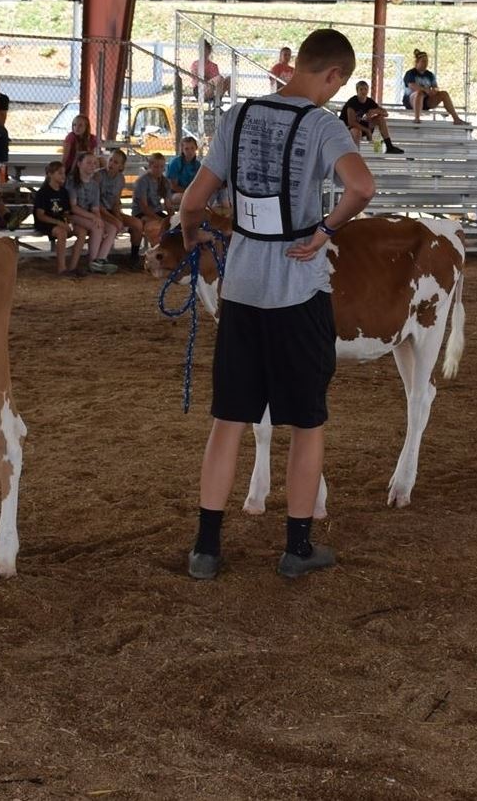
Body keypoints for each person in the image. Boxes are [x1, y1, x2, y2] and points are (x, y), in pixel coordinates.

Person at [178, 28, 375, 582]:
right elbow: (362, 187)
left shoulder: (237, 116)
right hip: (297, 291)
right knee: (306, 423)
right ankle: (297, 547)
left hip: (241, 289)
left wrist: (193, 234)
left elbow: (195, 199)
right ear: (333, 76)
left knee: (228, 420)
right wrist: (325, 231)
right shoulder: (322, 124)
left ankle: (206, 548)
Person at [67, 152, 117, 274]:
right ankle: (93, 261)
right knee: (97, 227)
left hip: (88, 215)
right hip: (73, 215)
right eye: (88, 162)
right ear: (79, 164)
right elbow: (73, 207)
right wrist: (94, 218)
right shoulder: (72, 181)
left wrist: (99, 218)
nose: (92, 165)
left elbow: (95, 208)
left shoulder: (94, 184)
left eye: (95, 163)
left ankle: (100, 259)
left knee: (111, 228)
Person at [33, 160, 85, 276]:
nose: (63, 176)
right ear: (50, 174)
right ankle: (61, 268)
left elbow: (66, 212)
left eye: (64, 173)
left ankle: (73, 266)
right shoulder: (43, 192)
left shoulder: (63, 192)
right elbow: (40, 215)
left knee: (82, 232)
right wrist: (60, 223)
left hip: (59, 221)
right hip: (45, 222)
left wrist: (69, 221)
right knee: (62, 233)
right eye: (60, 173)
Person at [98, 147, 144, 270]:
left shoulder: (120, 179)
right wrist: (115, 220)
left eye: (116, 162)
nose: (111, 164)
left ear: (121, 167)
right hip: (98, 211)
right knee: (115, 225)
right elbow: (96, 205)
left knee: (138, 224)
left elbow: (115, 201)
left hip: (110, 210)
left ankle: (134, 256)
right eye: (111, 160)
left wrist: (117, 216)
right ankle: (100, 257)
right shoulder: (98, 176)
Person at [403, 49, 465, 125]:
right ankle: (417, 118)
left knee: (444, 94)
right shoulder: (410, 73)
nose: (425, 64)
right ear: (417, 62)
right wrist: (426, 90)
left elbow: (435, 87)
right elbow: (412, 85)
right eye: (423, 61)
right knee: (419, 93)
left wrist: (434, 91)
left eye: (426, 61)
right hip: (412, 100)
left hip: (426, 101)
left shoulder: (430, 75)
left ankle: (456, 118)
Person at [340, 81, 403, 154]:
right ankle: (355, 153)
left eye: (365, 89)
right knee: (357, 131)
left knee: (380, 118)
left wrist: (374, 111)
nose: (364, 91)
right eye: (361, 89)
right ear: (357, 90)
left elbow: (385, 113)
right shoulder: (352, 102)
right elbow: (351, 122)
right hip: (348, 128)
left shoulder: (369, 101)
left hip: (362, 125)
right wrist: (367, 131)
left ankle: (389, 146)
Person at [131, 152, 173, 228]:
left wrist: (172, 218)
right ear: (150, 166)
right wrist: (160, 219)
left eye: (161, 167)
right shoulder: (142, 181)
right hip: (140, 213)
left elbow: (168, 204)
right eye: (156, 167)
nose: (159, 169)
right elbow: (144, 207)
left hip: (157, 211)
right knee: (156, 226)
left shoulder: (165, 182)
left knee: (173, 226)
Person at [167, 136, 202, 208]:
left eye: (192, 148)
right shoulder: (176, 163)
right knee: (186, 198)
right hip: (175, 194)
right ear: (182, 150)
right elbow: (173, 186)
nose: (190, 151)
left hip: (191, 193)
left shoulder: (197, 164)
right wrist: (189, 192)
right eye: (186, 149)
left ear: (196, 148)